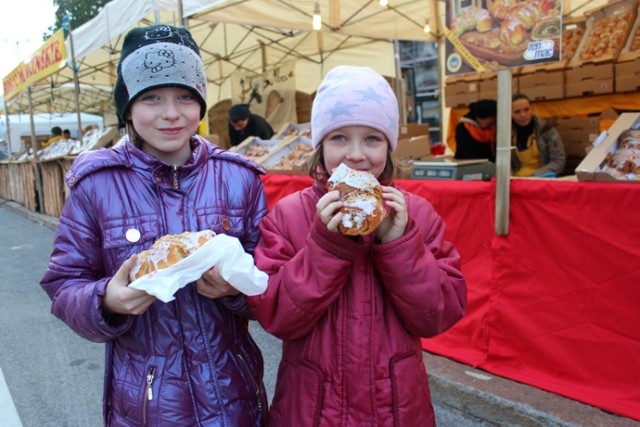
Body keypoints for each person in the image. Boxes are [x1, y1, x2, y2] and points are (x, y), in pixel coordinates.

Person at [40, 24, 269, 426]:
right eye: (151, 98)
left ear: (200, 102)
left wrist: (236, 290)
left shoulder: (239, 179)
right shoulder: (96, 186)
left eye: (185, 96)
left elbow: (272, 275)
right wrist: (106, 300)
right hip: (146, 403)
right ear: (128, 107)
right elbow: (64, 284)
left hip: (233, 391)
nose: (171, 113)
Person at [247, 65, 467, 426]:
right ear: (319, 146)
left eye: (372, 138)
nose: (356, 154)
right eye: (339, 138)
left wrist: (399, 243)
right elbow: (276, 316)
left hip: (395, 406)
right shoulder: (289, 216)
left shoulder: (416, 215)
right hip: (313, 407)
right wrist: (326, 244)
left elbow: (438, 314)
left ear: (390, 146)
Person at [511, 93, 565, 177]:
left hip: (542, 180)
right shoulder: (507, 134)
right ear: (510, 114)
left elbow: (558, 161)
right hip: (516, 181)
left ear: (532, 109)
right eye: (517, 112)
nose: (523, 115)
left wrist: (535, 176)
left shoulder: (547, 129)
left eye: (526, 110)